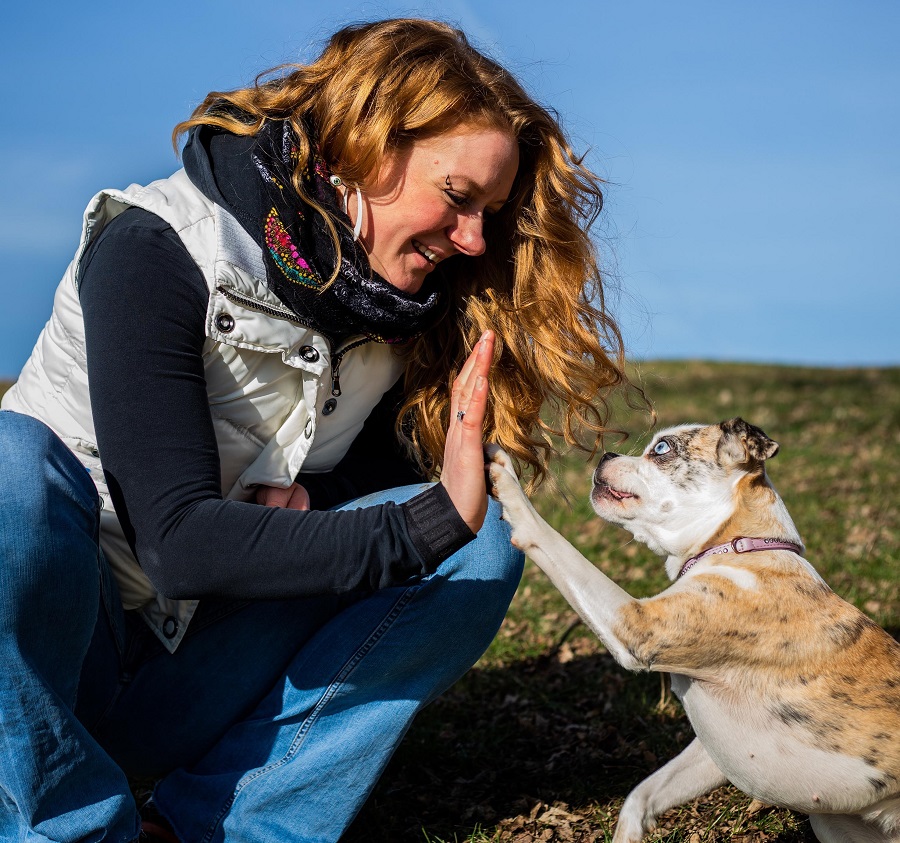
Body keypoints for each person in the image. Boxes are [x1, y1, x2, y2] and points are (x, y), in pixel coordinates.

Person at [0, 18, 630, 843]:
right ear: (369, 147)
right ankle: (68, 829)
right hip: (53, 673)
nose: (475, 239)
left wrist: (316, 498)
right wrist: (427, 520)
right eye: (457, 197)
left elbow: (369, 486)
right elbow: (177, 544)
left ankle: (233, 826)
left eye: (490, 213)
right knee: (11, 465)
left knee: (483, 544)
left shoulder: (412, 316)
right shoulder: (155, 247)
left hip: (191, 676)